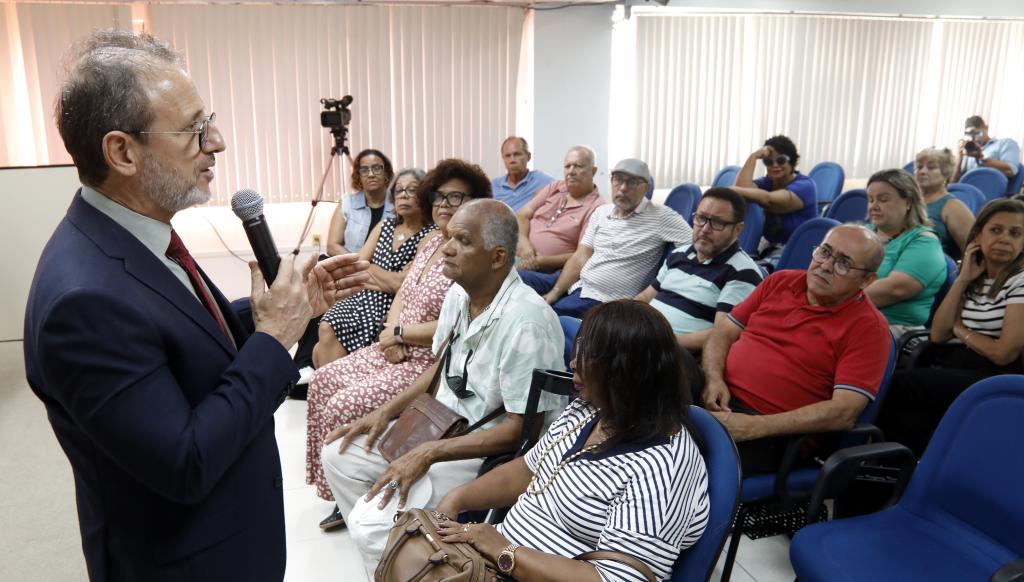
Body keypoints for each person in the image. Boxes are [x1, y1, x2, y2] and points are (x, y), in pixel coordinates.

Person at [22, 30, 369, 581]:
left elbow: (177, 335)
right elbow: (185, 462)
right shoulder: (82, 302)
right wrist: (273, 338)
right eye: (193, 129)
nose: (218, 141)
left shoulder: (139, 235)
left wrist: (284, 312)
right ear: (122, 152)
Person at [320, 199, 565, 569]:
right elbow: (440, 370)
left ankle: (405, 551)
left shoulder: (526, 322)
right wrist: (382, 412)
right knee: (339, 453)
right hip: (439, 425)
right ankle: (405, 556)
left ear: (498, 258)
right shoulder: (459, 295)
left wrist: (429, 452)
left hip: (483, 451)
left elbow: (520, 431)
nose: (445, 247)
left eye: (462, 240)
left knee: (367, 526)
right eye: (448, 237)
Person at [432, 300, 710, 582]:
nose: (573, 362)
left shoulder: (664, 467)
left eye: (591, 356)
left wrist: (505, 551)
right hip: (494, 563)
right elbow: (528, 470)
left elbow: (620, 579)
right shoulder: (590, 410)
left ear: (626, 373)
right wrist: (457, 498)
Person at [307, 159, 491, 527]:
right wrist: (389, 333)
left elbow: (456, 326)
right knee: (320, 380)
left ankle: (362, 500)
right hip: (395, 345)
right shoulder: (428, 242)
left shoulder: (472, 253)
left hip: (428, 361)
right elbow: (402, 294)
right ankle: (339, 488)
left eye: (456, 197)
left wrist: (402, 335)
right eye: (439, 197)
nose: (444, 205)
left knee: (344, 404)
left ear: (476, 203)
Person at [701, 225, 890, 473]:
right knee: (654, 371)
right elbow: (723, 331)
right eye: (825, 252)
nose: (825, 266)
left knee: (684, 462)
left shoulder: (869, 328)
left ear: (867, 280)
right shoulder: (781, 281)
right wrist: (713, 379)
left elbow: (844, 412)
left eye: (843, 263)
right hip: (718, 396)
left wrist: (752, 427)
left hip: (773, 432)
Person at [878, 199, 1024, 456]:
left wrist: (962, 331)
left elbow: (1004, 354)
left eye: (1015, 233)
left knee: (899, 384)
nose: (1004, 239)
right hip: (959, 366)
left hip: (997, 376)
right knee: (911, 418)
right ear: (978, 235)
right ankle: (888, 479)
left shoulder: (1020, 281)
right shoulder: (974, 276)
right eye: (996, 230)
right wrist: (963, 279)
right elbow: (938, 333)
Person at [539, 158, 693, 318]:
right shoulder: (601, 212)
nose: (623, 188)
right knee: (521, 282)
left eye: (632, 182)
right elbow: (580, 256)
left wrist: (660, 282)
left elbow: (696, 246)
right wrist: (556, 292)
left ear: (645, 188)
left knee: (544, 320)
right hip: (578, 286)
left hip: (605, 303)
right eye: (618, 180)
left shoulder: (661, 216)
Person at [313, 168, 435, 367]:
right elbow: (355, 268)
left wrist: (373, 270)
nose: (403, 195)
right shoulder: (384, 226)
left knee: (328, 344)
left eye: (412, 190)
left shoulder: (430, 234)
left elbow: (403, 285)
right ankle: (332, 390)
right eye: (399, 190)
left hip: (395, 305)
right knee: (327, 325)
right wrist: (384, 276)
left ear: (424, 196)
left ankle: (345, 390)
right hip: (362, 297)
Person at [636, 187, 763, 353]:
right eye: (701, 218)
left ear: (737, 229)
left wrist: (664, 342)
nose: (704, 229)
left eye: (717, 223)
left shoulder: (743, 273)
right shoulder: (678, 254)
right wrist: (621, 316)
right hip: (644, 340)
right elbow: (646, 296)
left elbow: (722, 334)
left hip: (676, 355)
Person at [863, 169, 947, 334]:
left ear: (908, 202)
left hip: (892, 329)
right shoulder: (863, 232)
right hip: (849, 317)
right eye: (870, 199)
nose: (874, 206)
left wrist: (834, 299)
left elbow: (896, 289)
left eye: (883, 199)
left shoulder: (924, 241)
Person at [516, 145, 603, 292]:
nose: (571, 171)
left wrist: (539, 261)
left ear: (593, 171)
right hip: (521, 254)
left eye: (578, 166)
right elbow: (522, 214)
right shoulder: (555, 187)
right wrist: (525, 244)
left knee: (502, 280)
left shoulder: (597, 208)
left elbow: (581, 254)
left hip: (550, 271)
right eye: (567, 166)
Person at [731, 135, 817, 257]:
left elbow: (770, 201)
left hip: (796, 250)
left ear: (791, 161)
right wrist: (754, 156)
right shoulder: (767, 182)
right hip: (770, 246)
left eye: (781, 160)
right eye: (769, 161)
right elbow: (742, 188)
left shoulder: (806, 185)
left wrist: (733, 190)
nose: (775, 165)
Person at [328, 148, 396, 255]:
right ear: (358, 177)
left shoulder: (397, 205)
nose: (371, 174)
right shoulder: (347, 204)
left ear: (386, 173)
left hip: (385, 269)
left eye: (376, 168)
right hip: (352, 268)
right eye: (364, 170)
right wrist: (358, 264)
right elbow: (332, 246)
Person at [915, 147, 975, 260]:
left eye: (931, 168)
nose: (922, 171)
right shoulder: (908, 201)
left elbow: (972, 251)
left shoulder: (953, 207)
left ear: (946, 173)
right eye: (919, 167)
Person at [491, 136, 555, 211]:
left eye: (517, 154)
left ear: (528, 156)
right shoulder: (494, 185)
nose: (512, 160)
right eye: (507, 156)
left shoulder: (544, 181)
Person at [953, 115, 1021, 183]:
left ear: (986, 128)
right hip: (964, 189)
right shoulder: (968, 150)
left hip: (988, 189)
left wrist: (982, 158)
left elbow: (1012, 170)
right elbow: (953, 182)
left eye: (976, 133)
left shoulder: (1004, 143)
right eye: (969, 134)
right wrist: (958, 159)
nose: (972, 138)